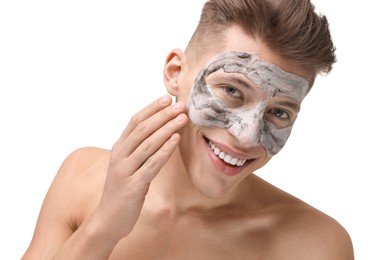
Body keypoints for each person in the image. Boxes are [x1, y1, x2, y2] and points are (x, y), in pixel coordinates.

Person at [22, 0, 354, 259]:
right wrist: (103, 226)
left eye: (279, 111)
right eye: (232, 91)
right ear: (175, 72)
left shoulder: (316, 244)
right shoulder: (82, 180)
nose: (248, 135)